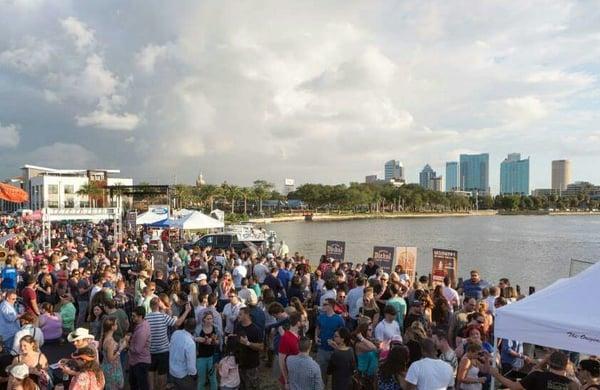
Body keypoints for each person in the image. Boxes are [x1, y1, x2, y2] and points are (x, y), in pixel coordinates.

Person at [146, 297, 191, 390]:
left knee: (151, 372)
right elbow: (178, 323)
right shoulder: (163, 316)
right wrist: (187, 311)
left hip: (150, 350)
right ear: (158, 305)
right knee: (162, 374)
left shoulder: (146, 317)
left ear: (150, 306)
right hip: (163, 350)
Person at [489, 350, 578, 390]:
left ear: (549, 362)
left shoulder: (537, 375)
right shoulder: (573, 385)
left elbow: (513, 386)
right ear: (566, 365)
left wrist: (496, 374)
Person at [233, 307, 264, 390]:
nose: (238, 316)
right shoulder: (237, 326)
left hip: (251, 365)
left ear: (246, 315)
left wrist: (248, 343)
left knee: (253, 386)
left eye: (240, 314)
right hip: (239, 363)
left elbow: (261, 347)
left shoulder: (256, 329)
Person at [315, 298, 345, 382]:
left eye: (325, 304)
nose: (322, 306)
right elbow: (317, 328)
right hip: (322, 349)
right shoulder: (320, 317)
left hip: (334, 350)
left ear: (331, 306)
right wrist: (316, 337)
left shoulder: (339, 319)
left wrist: (338, 345)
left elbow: (343, 335)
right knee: (321, 373)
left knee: (335, 374)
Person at [169, 318, 197, 390]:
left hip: (172, 371)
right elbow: (191, 365)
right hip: (183, 375)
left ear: (184, 324)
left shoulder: (175, 333)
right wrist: (194, 375)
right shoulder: (190, 343)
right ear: (194, 329)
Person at [127, 306, 151, 390]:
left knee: (141, 385)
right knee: (134, 383)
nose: (132, 318)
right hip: (136, 361)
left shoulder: (142, 330)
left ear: (140, 316)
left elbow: (137, 349)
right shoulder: (142, 324)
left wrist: (127, 345)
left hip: (140, 362)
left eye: (134, 316)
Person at [99, 317, 126, 390]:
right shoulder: (110, 341)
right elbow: (110, 359)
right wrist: (121, 348)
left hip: (106, 367)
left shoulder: (105, 337)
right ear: (112, 327)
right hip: (112, 369)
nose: (117, 325)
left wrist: (119, 345)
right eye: (116, 324)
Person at [195, 311, 219, 390]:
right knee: (201, 380)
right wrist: (202, 340)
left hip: (212, 357)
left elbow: (219, 342)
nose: (210, 320)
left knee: (213, 379)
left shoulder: (216, 328)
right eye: (208, 319)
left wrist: (215, 341)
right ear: (203, 320)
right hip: (201, 357)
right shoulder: (198, 328)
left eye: (211, 318)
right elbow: (193, 339)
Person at [279, 311, 301, 389]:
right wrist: (286, 381)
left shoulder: (299, 335)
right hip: (290, 376)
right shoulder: (286, 338)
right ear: (298, 323)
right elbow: (281, 361)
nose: (306, 322)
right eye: (304, 321)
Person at [353, 321, 379, 388]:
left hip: (372, 375)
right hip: (364, 376)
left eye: (372, 329)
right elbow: (373, 348)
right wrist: (361, 338)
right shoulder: (359, 344)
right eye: (369, 330)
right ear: (364, 331)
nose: (372, 331)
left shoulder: (369, 341)